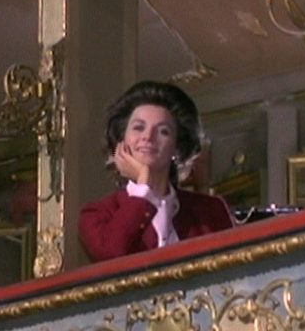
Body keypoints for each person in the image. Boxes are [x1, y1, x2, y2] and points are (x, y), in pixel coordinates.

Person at [78, 81, 234, 262]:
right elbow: (111, 254)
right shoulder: (97, 214)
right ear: (121, 141)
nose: (148, 136)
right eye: (138, 127)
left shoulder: (211, 210)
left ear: (177, 147)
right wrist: (143, 188)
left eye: (163, 131)